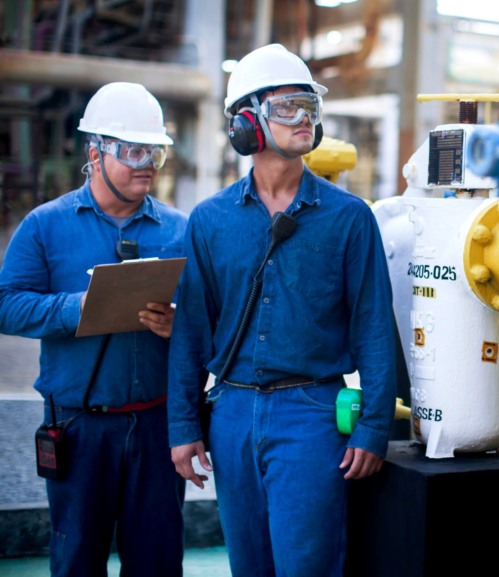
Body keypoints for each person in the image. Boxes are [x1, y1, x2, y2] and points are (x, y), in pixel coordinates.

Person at [167, 43, 396, 576]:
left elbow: (374, 329)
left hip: (312, 416)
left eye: (311, 107)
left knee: (307, 567)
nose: (306, 119)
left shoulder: (349, 218)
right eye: (289, 106)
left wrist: (373, 427)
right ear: (246, 123)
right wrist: (183, 424)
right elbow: (192, 332)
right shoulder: (209, 221)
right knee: (248, 566)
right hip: (230, 415)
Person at [0, 82, 186, 576]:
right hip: (79, 427)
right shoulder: (44, 226)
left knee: (158, 561)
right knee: (78, 558)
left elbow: (211, 319)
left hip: (158, 427)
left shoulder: (179, 230)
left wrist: (179, 326)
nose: (147, 162)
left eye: (156, 152)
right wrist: (77, 309)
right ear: (95, 153)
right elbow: (5, 305)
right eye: (133, 150)